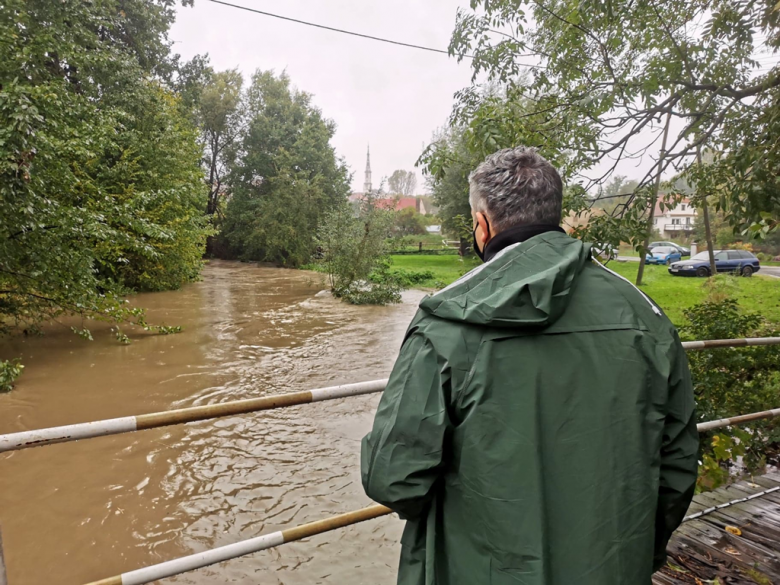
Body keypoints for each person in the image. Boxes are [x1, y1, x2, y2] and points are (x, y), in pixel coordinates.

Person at [361, 147, 698, 585]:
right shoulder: (644, 315)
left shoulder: (446, 322)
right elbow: (677, 465)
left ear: (482, 225)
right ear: (555, 213)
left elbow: (392, 476)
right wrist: (635, 551)